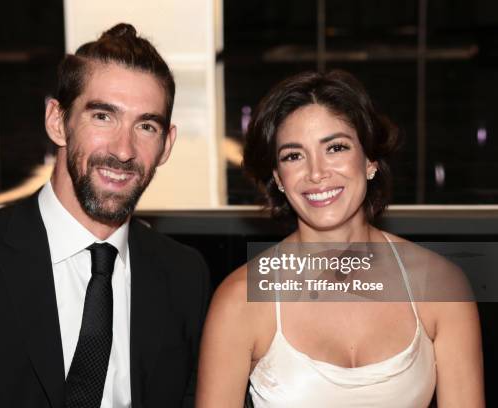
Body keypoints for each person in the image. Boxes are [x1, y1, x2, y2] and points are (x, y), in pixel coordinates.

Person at [0, 23, 211, 408]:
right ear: (58, 121)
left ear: (166, 144)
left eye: (145, 125)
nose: (124, 150)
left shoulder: (184, 276)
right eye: (102, 116)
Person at [196, 70, 484, 407]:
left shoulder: (441, 285)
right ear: (277, 177)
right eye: (294, 155)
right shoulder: (239, 301)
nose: (316, 172)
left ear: (370, 161)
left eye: (335, 147)